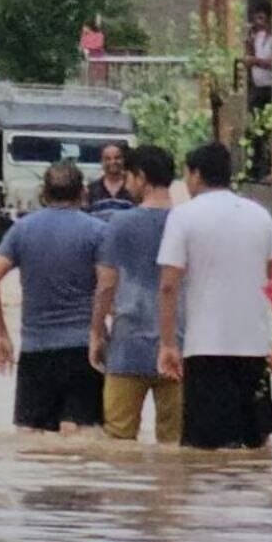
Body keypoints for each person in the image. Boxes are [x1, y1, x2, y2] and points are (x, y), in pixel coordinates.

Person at [157, 143, 272, 449]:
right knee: (255, 446)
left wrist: (167, 343)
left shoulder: (183, 217)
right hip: (255, 350)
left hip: (204, 350)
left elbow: (168, 285)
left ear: (195, 175)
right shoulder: (260, 216)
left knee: (205, 453)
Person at [0, 162, 107, 433]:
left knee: (32, 439)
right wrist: (98, 333)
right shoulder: (97, 231)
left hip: (35, 349)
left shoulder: (21, 230)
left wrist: (1, 335)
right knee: (79, 435)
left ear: (43, 193)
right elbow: (107, 286)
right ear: (83, 192)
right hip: (82, 349)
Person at [90, 145, 183, 443]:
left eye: (129, 175)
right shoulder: (186, 222)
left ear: (141, 177)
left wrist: (96, 332)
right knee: (174, 444)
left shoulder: (120, 224)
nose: (127, 182)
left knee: (118, 442)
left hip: (127, 345)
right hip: (179, 346)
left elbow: (106, 285)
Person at [245, 3, 272, 181]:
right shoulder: (259, 36)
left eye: (262, 19)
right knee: (254, 128)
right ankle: (255, 168)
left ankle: (267, 167)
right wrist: (249, 46)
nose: (259, 23)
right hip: (258, 87)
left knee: (268, 128)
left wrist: (255, 61)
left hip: (270, 88)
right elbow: (250, 56)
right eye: (257, 19)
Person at [84, 143, 134, 214]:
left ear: (123, 160)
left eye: (117, 158)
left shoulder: (134, 188)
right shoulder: (91, 189)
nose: (113, 162)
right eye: (108, 159)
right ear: (101, 161)